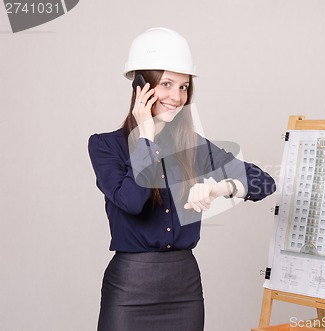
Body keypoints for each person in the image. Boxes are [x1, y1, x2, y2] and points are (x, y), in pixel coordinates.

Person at [88, 27, 276, 331]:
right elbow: (132, 202)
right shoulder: (105, 146)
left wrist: (218, 188)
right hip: (129, 288)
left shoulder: (194, 146)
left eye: (184, 87)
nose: (177, 97)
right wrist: (145, 137)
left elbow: (264, 181)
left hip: (184, 289)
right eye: (166, 84)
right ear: (140, 85)